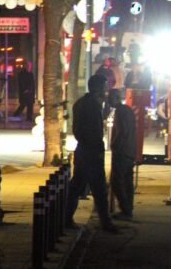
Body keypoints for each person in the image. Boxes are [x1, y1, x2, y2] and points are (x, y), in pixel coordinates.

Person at [66, 75, 117, 233]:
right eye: (104, 86)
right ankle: (106, 223)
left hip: (83, 149)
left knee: (77, 186)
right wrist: (97, 149)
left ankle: (66, 218)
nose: (106, 90)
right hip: (91, 150)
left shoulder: (81, 103)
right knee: (99, 188)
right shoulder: (93, 105)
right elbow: (95, 130)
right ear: (97, 88)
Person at [108, 89, 136, 221]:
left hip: (122, 152)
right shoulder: (128, 110)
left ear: (117, 98)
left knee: (117, 181)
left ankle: (125, 209)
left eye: (110, 97)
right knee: (127, 181)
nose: (108, 100)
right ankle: (128, 209)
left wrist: (114, 145)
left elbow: (122, 131)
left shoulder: (121, 112)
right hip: (129, 151)